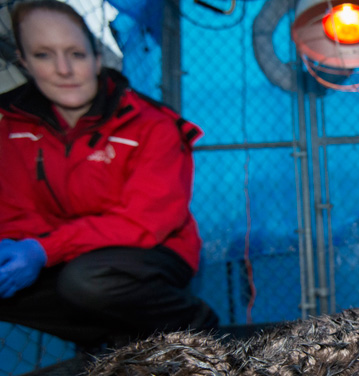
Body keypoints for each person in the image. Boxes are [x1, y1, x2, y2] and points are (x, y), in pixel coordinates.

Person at [0, 1, 218, 350]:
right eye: (43, 55)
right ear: (23, 62)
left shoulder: (151, 124)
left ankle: (196, 327)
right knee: (56, 278)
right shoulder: (14, 128)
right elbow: (14, 212)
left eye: (76, 54)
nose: (63, 69)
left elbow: (144, 222)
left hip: (147, 251)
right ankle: (116, 337)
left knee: (87, 280)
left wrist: (45, 249)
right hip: (65, 255)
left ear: (96, 59)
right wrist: (18, 248)